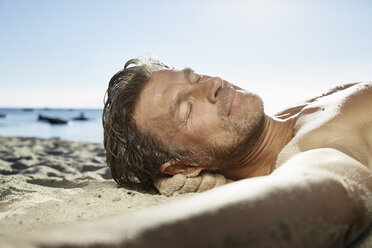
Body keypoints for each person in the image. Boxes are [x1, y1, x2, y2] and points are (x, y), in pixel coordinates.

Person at [101, 57, 372, 247]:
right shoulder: (313, 147)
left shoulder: (289, 117)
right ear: (182, 167)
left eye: (194, 77)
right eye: (187, 108)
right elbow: (322, 190)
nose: (214, 82)